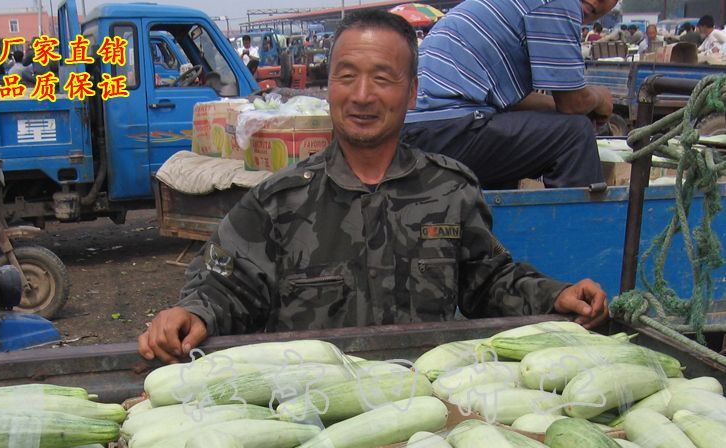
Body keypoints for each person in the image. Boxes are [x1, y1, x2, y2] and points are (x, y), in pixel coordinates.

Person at [138, 9, 608, 363]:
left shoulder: (450, 190)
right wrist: (193, 313)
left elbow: (487, 279)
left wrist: (553, 294)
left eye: (383, 79)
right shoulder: (280, 201)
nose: (362, 95)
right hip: (315, 414)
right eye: (348, 77)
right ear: (331, 88)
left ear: (412, 91)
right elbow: (226, 286)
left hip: (421, 412)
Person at [399, 0, 617, 190]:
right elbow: (573, 103)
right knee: (575, 133)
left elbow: (516, 102)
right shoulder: (558, 3)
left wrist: (555, 107)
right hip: (442, 128)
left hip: (417, 129)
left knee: (518, 133)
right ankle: (579, 233)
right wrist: (600, 98)